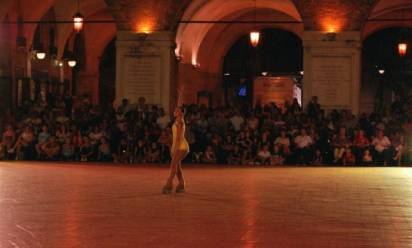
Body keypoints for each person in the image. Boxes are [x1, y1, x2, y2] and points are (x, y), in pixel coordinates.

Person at [162, 107, 190, 194]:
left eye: (177, 111)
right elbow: (180, 105)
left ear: (181, 113)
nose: (175, 111)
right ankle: (181, 184)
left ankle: (169, 185)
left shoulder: (180, 121)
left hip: (181, 146)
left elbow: (178, 137)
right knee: (177, 166)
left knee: (173, 164)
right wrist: (180, 94)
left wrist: (174, 148)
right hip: (178, 146)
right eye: (175, 110)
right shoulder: (178, 120)